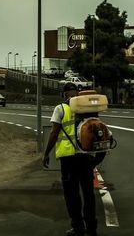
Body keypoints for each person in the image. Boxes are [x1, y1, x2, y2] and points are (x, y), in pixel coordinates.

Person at [42, 82, 99, 236]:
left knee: (72, 194)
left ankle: (78, 227)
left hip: (68, 159)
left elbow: (54, 133)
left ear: (64, 94)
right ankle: (92, 228)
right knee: (88, 193)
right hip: (86, 157)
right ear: (77, 93)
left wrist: (46, 153)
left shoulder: (60, 108)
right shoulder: (87, 108)